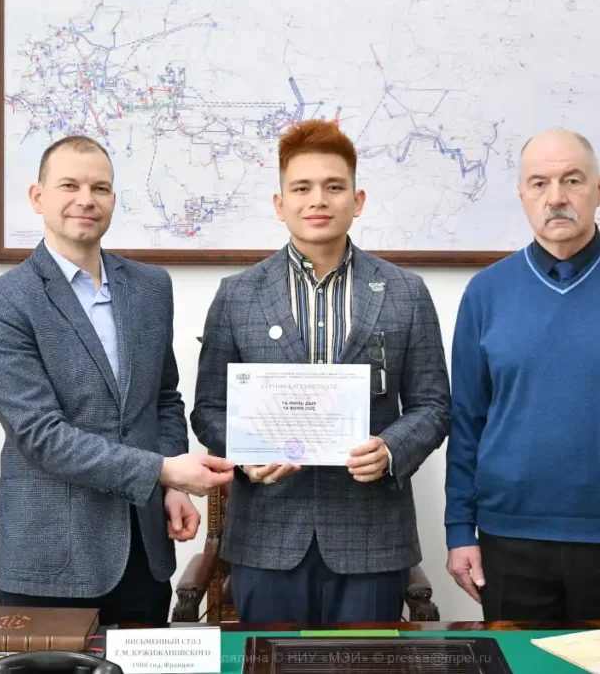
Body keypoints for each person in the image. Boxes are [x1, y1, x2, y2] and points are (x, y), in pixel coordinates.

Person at [190, 119, 451, 624]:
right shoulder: (238, 294)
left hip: (372, 536)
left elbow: (433, 405)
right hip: (266, 536)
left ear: (358, 199)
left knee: (368, 661)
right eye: (302, 188)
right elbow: (209, 409)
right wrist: (247, 454)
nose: (318, 200)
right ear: (279, 203)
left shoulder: (405, 292)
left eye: (334, 187)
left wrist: (392, 449)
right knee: (268, 659)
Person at [0, 135, 235, 625]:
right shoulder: (3, 302)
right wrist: (163, 471)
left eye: (100, 188)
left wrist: (172, 489)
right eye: (69, 185)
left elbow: (164, 399)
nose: (85, 200)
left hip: (144, 551)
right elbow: (40, 436)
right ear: (38, 197)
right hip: (50, 560)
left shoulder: (151, 287)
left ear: (113, 199)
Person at [445, 128, 600, 621]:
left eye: (572, 180)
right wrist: (459, 530)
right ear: (522, 195)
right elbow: (467, 423)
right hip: (508, 540)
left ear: (599, 190)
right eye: (539, 183)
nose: (556, 197)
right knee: (514, 658)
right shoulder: (485, 293)